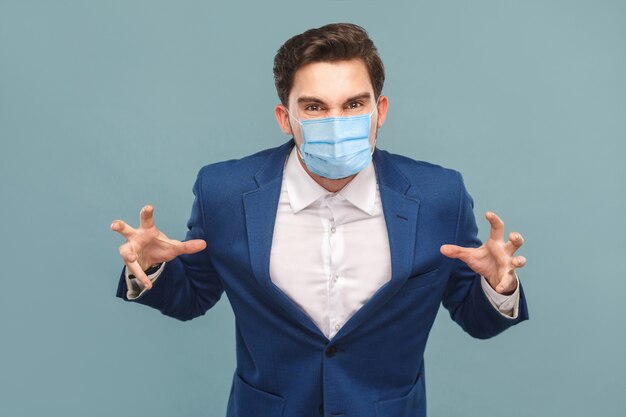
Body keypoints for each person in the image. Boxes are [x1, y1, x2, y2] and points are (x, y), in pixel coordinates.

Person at [112, 23, 528, 417]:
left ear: (379, 110)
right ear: (284, 117)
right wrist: (153, 267)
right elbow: (192, 298)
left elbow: (475, 318)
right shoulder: (225, 191)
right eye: (314, 107)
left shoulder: (439, 195)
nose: (337, 121)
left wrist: (497, 287)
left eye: (354, 104)